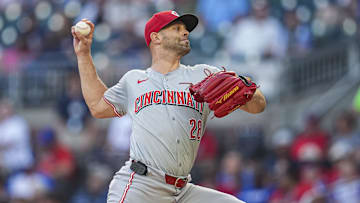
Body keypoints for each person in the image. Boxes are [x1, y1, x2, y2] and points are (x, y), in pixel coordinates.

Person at [71, 10, 266, 203]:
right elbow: (97, 106)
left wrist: (242, 85)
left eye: (186, 29)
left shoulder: (204, 74)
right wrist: (83, 55)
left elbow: (258, 106)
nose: (185, 33)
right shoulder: (134, 80)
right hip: (141, 185)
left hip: (182, 191)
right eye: (177, 28)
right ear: (156, 37)